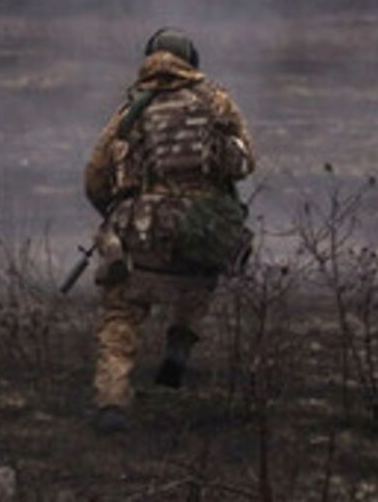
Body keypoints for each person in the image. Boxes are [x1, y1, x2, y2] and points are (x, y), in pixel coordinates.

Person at [81, 27, 255, 431]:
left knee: (121, 316)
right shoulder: (216, 102)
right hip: (201, 226)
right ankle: (178, 351)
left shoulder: (130, 110)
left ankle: (112, 401)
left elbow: (95, 175)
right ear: (191, 60)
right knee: (197, 284)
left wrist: (113, 211)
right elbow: (245, 163)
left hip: (140, 228)